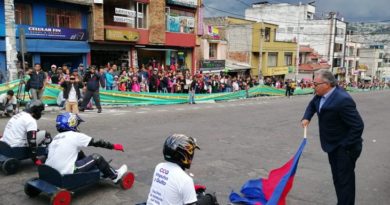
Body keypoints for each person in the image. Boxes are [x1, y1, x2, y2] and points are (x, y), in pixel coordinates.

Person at [301, 69, 364, 205]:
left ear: (327, 84)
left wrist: (346, 146)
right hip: (332, 145)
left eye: (315, 84)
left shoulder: (342, 100)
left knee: (345, 181)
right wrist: (307, 117)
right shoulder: (320, 94)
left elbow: (358, 126)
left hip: (345, 148)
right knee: (338, 178)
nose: (313, 86)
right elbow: (312, 105)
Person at [45, 112, 128, 183]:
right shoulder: (75, 135)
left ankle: (92, 166)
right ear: (71, 123)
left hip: (51, 171)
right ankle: (115, 177)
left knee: (79, 152)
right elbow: (97, 142)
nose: (77, 126)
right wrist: (113, 146)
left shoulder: (56, 137)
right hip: (66, 171)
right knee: (97, 157)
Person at [147, 134, 218, 205]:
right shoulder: (185, 180)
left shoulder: (159, 167)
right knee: (211, 198)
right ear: (185, 155)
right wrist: (209, 198)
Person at [1, 100, 49, 165]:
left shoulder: (17, 115)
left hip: (6, 144)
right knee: (46, 134)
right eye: (40, 111)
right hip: (17, 147)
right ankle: (48, 151)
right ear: (36, 111)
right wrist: (35, 159)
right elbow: (32, 142)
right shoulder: (30, 120)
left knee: (37, 132)